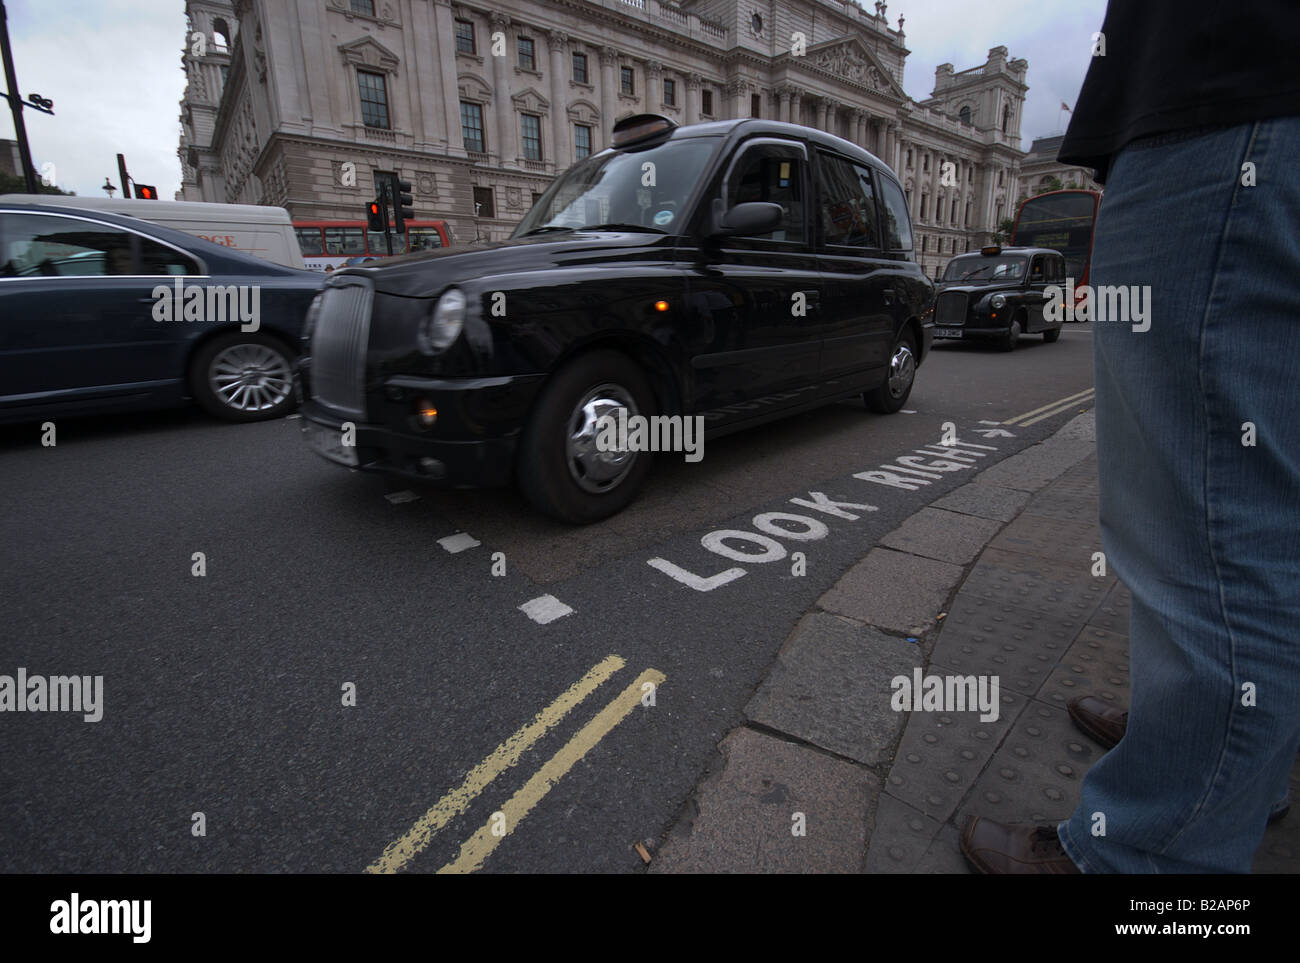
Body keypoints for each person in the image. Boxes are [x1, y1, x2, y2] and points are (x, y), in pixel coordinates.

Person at [960, 0, 1300, 873]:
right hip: (1250, 105)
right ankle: (1222, 760)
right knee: (1265, 503)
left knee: (1203, 524)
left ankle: (1147, 857)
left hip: (1226, 102)